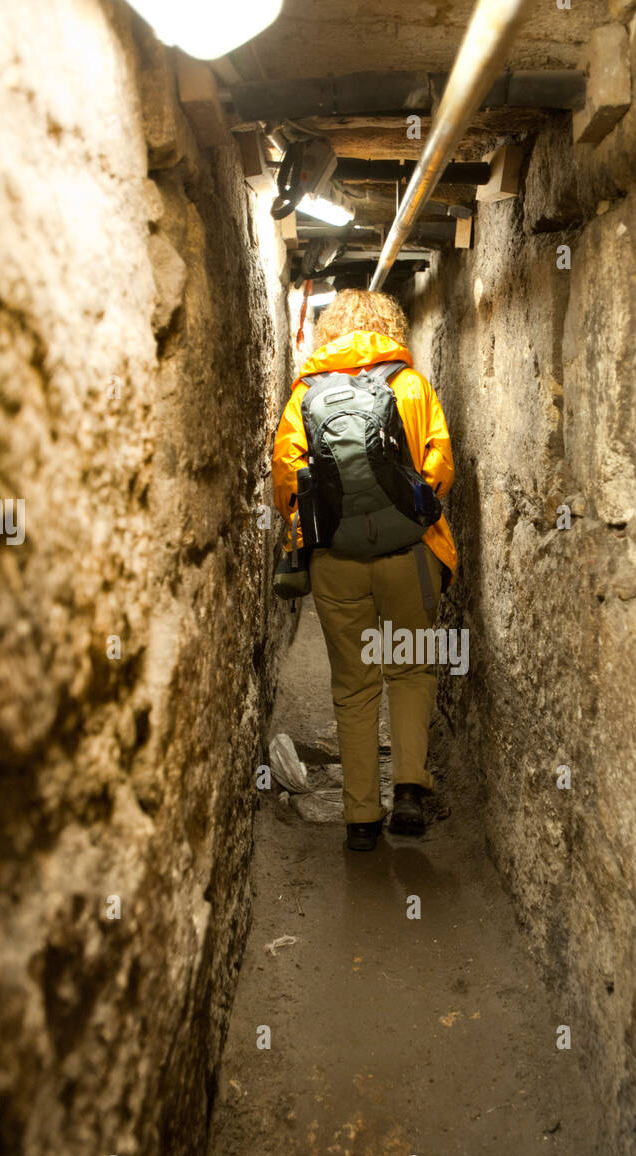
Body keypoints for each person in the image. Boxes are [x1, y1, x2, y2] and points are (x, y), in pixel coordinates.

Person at [272, 289, 457, 851]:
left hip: (336, 564)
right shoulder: (409, 384)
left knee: (353, 687)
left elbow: (286, 483)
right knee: (410, 670)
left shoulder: (303, 393)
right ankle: (407, 790)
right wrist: (408, 513)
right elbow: (440, 466)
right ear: (390, 325)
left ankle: (358, 818)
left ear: (331, 330)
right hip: (410, 557)